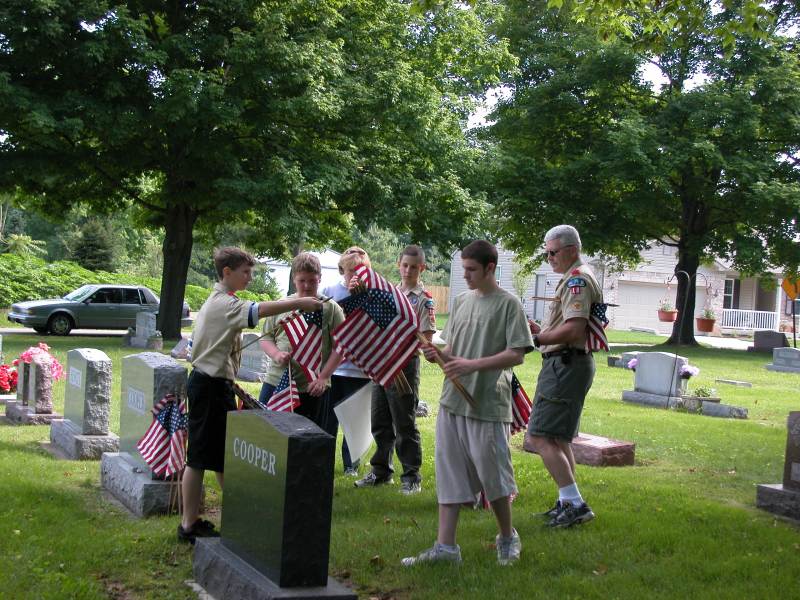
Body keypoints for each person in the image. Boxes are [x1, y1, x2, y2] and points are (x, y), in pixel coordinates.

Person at [403, 240, 533, 566]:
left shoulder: (509, 304)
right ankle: (445, 548)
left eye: (472, 270)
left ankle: (507, 536)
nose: (466, 275)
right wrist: (435, 354)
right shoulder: (461, 301)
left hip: (488, 403)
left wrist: (472, 365)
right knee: (449, 473)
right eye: (463, 269)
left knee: (494, 476)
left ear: (490, 268)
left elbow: (517, 353)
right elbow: (450, 353)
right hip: (452, 401)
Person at [179, 247, 321, 543]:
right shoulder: (223, 304)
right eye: (245, 272)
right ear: (227, 272)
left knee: (220, 456)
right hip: (208, 385)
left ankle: (238, 514)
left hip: (218, 386)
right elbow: (258, 310)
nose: (250, 277)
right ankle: (188, 525)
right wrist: (298, 302)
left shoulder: (224, 300)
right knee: (197, 458)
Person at [525, 224, 602, 528]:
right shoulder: (575, 278)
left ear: (572, 249)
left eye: (553, 253)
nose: (549, 259)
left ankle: (575, 504)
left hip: (565, 364)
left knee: (540, 436)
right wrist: (541, 331)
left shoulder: (577, 281)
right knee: (559, 437)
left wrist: (537, 340)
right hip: (569, 362)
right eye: (546, 253)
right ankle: (566, 501)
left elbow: (573, 329)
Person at [354, 245, 435, 495]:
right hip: (382, 362)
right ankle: (381, 471)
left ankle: (412, 476)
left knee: (404, 422)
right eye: (405, 265)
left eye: (414, 266)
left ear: (421, 268)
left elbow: (427, 338)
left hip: (404, 364)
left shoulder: (424, 299)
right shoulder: (389, 293)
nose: (408, 270)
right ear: (398, 264)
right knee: (379, 420)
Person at [258, 252, 345, 429]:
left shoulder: (331, 308)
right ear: (293, 279)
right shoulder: (282, 305)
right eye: (301, 281)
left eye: (312, 281)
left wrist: (323, 377)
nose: (306, 286)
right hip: (277, 381)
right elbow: (266, 337)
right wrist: (276, 354)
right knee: (267, 433)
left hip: (313, 387)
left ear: (320, 279)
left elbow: (341, 346)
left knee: (308, 443)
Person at [321, 246, 372, 476]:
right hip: (334, 367)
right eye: (351, 270)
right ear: (342, 269)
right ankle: (323, 461)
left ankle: (351, 466)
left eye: (360, 270)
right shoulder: (330, 291)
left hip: (360, 369)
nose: (355, 274)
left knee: (354, 421)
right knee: (328, 419)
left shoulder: (371, 295)